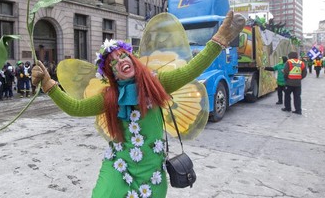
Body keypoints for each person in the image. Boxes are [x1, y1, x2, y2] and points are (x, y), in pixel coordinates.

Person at [32, 11, 246, 198]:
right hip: (118, 168)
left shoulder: (156, 84)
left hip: (152, 172)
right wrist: (49, 85)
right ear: (112, 74)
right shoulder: (108, 97)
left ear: (132, 59)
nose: (121, 61)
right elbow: (75, 108)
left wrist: (217, 42)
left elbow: (191, 70)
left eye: (123, 55)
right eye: (113, 63)